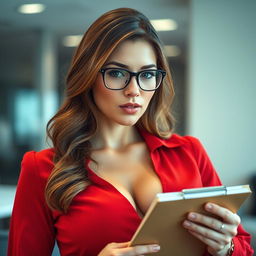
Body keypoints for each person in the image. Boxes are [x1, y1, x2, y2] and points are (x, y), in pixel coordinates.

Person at [8, 7, 254, 256]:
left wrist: (226, 247)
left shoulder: (189, 151)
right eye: (117, 73)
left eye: (147, 74)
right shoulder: (42, 168)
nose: (134, 90)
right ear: (89, 75)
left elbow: (243, 247)